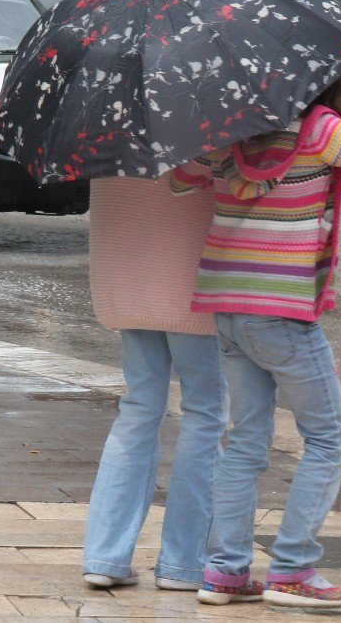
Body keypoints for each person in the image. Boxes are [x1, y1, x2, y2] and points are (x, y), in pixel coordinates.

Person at [170, 46, 341, 609]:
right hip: (282, 312)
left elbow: (181, 180)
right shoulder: (320, 129)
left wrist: (212, 128)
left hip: (228, 308)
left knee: (246, 442)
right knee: (328, 437)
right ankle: (293, 570)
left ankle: (226, 571)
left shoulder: (235, 131)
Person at [81, 176, 228, 591]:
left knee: (140, 405)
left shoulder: (105, 117)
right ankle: (185, 563)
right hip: (192, 274)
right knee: (205, 411)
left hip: (125, 275)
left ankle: (105, 556)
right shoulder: (208, 115)